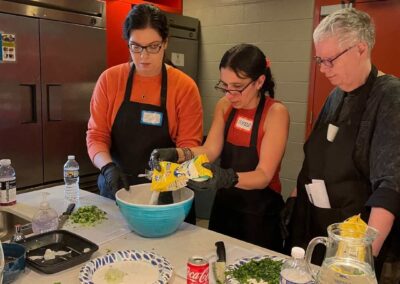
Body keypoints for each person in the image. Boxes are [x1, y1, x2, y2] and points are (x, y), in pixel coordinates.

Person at [281, 8, 400, 279]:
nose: (323, 69)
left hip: (353, 245)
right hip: (315, 229)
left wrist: (360, 263)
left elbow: (390, 188)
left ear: (360, 49)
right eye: (319, 60)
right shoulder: (336, 95)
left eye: (330, 60)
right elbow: (314, 161)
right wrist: (294, 201)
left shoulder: (390, 97)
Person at [150, 44, 290, 251]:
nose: (230, 94)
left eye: (237, 87)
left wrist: (228, 177)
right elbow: (210, 150)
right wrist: (177, 153)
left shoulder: (276, 113)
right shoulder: (225, 106)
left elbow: (264, 175)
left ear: (260, 81)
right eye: (224, 85)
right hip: (225, 206)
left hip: (259, 213)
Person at [86, 3, 203, 208]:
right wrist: (107, 168)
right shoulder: (110, 80)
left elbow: (189, 146)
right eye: (136, 46)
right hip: (116, 188)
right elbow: (96, 135)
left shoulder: (184, 87)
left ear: (165, 43)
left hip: (166, 192)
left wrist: (171, 175)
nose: (143, 56)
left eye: (153, 46)